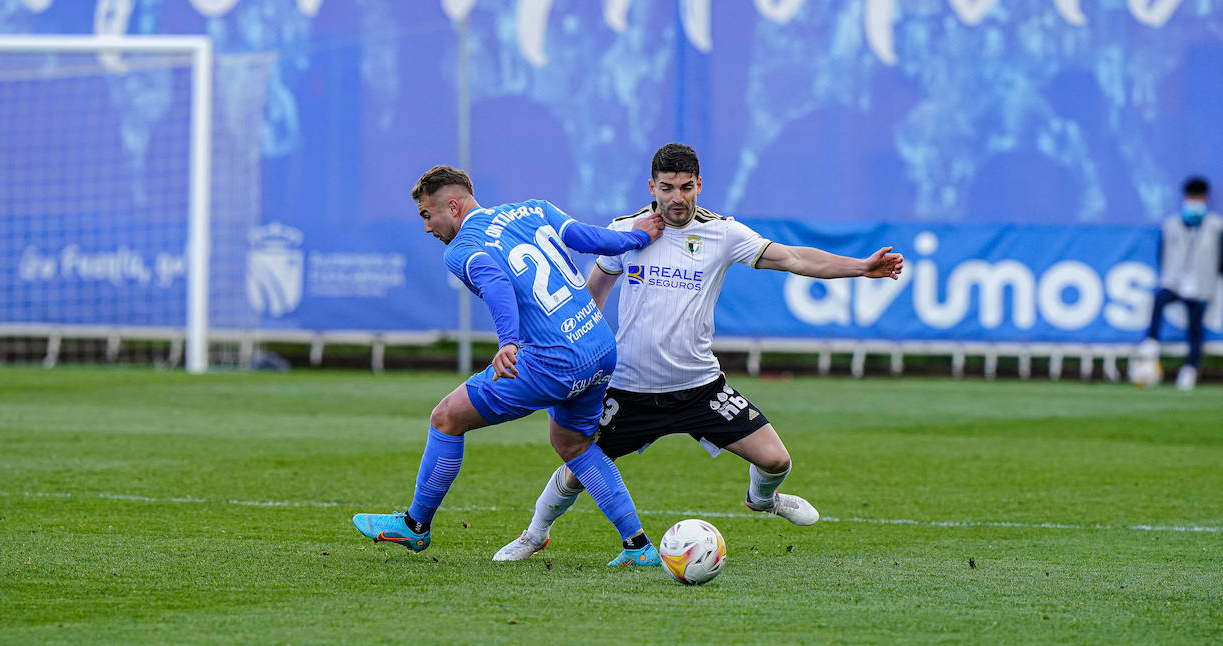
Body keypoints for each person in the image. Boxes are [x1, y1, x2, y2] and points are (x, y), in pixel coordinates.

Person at [493, 143, 904, 563]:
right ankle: (535, 533)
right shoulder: (626, 231)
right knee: (577, 466)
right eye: (667, 188)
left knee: (777, 461)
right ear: (652, 187)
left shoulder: (723, 234)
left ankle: (763, 500)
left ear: (699, 186)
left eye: (686, 188)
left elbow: (795, 257)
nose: (677, 198)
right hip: (629, 389)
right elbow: (590, 299)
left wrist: (860, 266)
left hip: (699, 389)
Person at [352, 165, 669, 566]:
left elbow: (497, 283)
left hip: (552, 361)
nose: (427, 228)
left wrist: (508, 342)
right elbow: (588, 238)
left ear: (452, 206)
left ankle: (415, 527)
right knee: (573, 444)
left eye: (427, 216)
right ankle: (637, 546)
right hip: (599, 345)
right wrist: (639, 236)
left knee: (446, 418)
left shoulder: (461, 248)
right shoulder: (533, 209)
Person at [1136, 176, 1222, 392]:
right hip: (1174, 280)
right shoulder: (1171, 224)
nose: (1195, 201)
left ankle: (1189, 370)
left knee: (1195, 328)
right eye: (1192, 196)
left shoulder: (1216, 226)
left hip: (1202, 285)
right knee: (1159, 299)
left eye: (1198, 197)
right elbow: (1163, 254)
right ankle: (1151, 341)